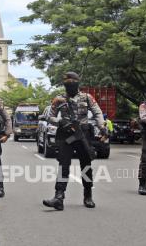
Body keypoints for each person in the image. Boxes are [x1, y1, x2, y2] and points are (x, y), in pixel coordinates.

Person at [43, 72, 106, 211]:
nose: (70, 84)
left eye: (73, 81)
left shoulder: (87, 97)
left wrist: (102, 127)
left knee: (86, 166)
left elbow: (97, 113)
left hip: (82, 134)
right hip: (66, 135)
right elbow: (49, 117)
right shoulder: (59, 99)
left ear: (78, 82)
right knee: (63, 165)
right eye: (67, 82)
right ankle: (59, 197)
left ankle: (88, 195)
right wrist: (61, 121)